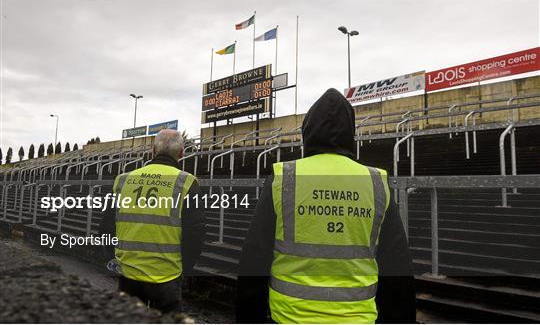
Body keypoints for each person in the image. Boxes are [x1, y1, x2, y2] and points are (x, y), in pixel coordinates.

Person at [236, 88, 415, 323]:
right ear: (350, 133)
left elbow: (254, 258)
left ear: (307, 131)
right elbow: (397, 266)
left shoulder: (284, 177)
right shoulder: (376, 182)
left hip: (290, 318)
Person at [110, 129, 205, 313]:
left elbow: (105, 227)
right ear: (181, 153)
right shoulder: (186, 182)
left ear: (152, 150)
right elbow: (195, 234)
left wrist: (118, 259)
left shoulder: (124, 180)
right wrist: (184, 268)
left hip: (128, 273)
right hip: (167, 276)